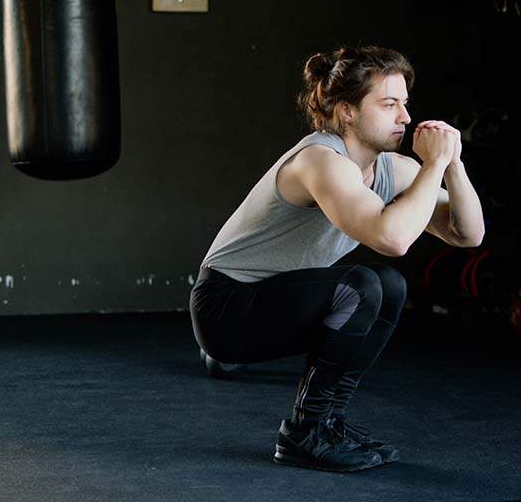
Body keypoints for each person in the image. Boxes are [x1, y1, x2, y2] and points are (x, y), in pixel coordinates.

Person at [189, 45, 485, 472]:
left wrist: (452, 166)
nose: (404, 117)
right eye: (388, 105)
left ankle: (328, 424)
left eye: (404, 104)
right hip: (226, 309)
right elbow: (393, 239)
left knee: (390, 285)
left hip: (278, 301)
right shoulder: (320, 161)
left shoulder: (388, 168)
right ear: (347, 111)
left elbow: (468, 233)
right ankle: (303, 433)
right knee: (361, 285)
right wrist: (433, 165)